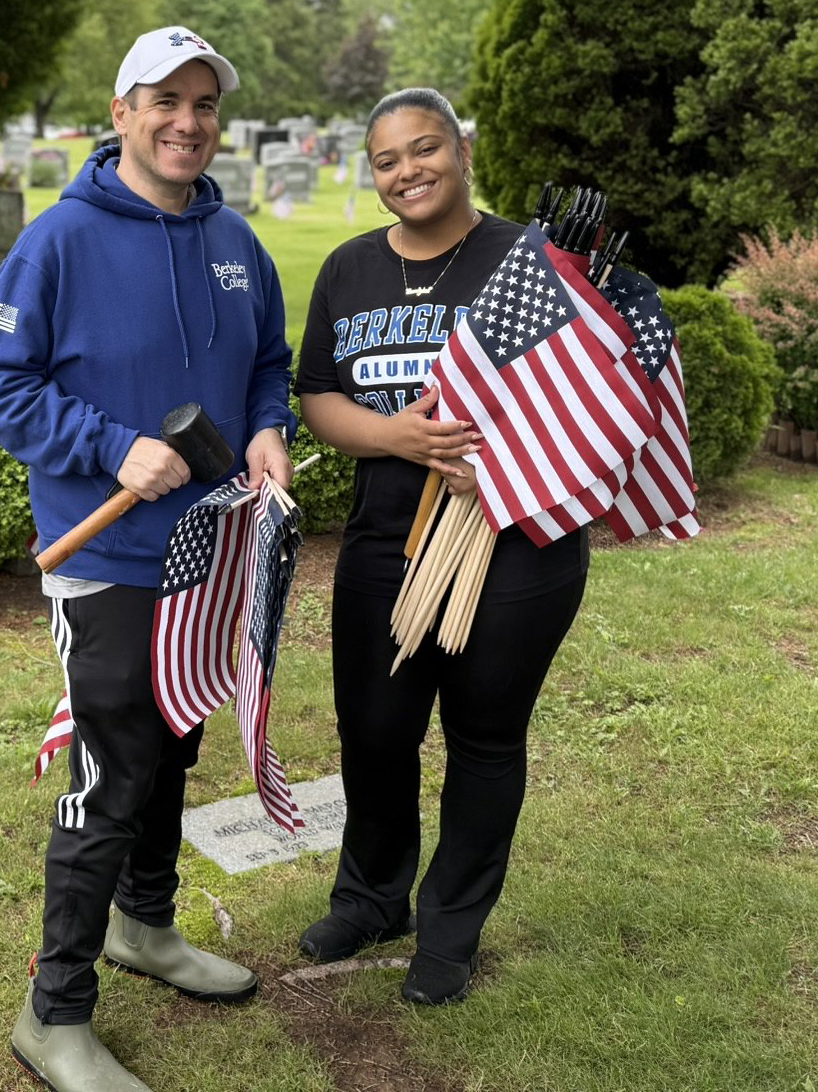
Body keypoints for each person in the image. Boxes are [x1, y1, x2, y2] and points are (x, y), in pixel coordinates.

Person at [0, 26, 296, 1091]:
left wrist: (265, 426)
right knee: (109, 772)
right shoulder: (58, 240)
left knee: (174, 746)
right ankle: (52, 1011)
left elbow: (268, 367)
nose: (187, 120)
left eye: (204, 103)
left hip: (210, 552)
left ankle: (143, 925)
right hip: (106, 560)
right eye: (166, 100)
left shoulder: (237, 240)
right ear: (122, 114)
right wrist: (115, 448)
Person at [291, 87, 590, 1006]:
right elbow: (318, 395)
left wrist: (504, 463)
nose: (407, 171)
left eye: (424, 149)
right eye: (387, 159)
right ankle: (373, 896)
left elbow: (593, 405)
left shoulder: (532, 263)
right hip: (386, 538)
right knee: (375, 732)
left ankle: (450, 929)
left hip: (515, 543)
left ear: (460, 149)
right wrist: (399, 440)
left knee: (484, 737)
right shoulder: (347, 270)